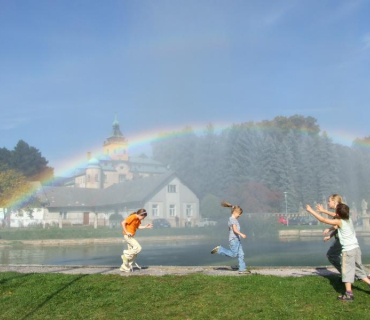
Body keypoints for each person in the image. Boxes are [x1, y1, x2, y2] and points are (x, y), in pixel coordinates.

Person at [306, 203, 370, 301]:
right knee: (358, 270)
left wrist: (311, 211)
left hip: (348, 251)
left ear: (338, 215)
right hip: (356, 249)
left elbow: (323, 220)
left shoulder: (340, 222)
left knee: (347, 272)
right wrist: (323, 211)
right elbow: (334, 215)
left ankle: (349, 295)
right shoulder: (349, 219)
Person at [211, 201, 250, 274]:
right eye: (239, 214)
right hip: (234, 240)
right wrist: (241, 234)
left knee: (241, 254)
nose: (239, 216)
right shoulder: (233, 220)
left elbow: (230, 229)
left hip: (237, 240)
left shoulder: (231, 219)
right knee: (233, 254)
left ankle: (242, 269)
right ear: (235, 212)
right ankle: (220, 249)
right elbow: (235, 230)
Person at [316, 194, 343, 274]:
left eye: (329, 201)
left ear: (334, 201)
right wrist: (330, 235)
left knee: (332, 255)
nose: (328, 203)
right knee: (349, 259)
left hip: (344, 239)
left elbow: (336, 218)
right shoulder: (339, 210)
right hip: (342, 239)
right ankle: (347, 274)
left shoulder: (341, 210)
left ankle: (347, 274)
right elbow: (338, 227)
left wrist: (323, 211)